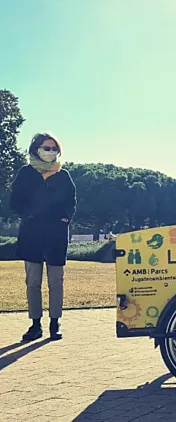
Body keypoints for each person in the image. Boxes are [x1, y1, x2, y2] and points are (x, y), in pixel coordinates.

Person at [10, 132, 77, 341]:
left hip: (56, 235)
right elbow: (15, 200)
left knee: (56, 282)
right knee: (32, 282)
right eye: (46, 148)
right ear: (36, 149)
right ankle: (35, 324)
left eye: (53, 149)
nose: (50, 152)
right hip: (32, 234)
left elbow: (71, 201)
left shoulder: (63, 175)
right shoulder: (26, 173)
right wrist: (28, 215)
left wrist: (65, 218)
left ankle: (55, 323)